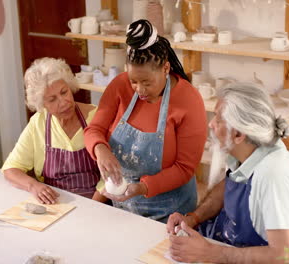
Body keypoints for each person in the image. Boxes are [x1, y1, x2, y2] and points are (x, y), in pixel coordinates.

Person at [166, 83, 289, 263]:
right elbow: (228, 186)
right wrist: (193, 218)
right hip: (224, 242)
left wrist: (211, 253)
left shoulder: (275, 174)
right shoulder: (245, 151)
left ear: (239, 134)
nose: (211, 123)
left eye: (218, 119)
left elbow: (281, 256)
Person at [84, 19, 207, 223]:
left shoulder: (189, 101)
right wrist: (100, 149)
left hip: (171, 213)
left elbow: (185, 168)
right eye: (134, 81)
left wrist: (142, 188)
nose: (139, 90)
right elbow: (93, 129)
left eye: (147, 83)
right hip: (124, 205)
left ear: (166, 68)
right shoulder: (119, 86)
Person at [2, 57, 106, 204]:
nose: (63, 102)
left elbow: (112, 174)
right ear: (41, 104)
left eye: (64, 92)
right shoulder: (38, 124)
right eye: (52, 99)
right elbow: (11, 169)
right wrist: (34, 186)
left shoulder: (96, 116)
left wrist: (94, 206)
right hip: (55, 203)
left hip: (96, 201)